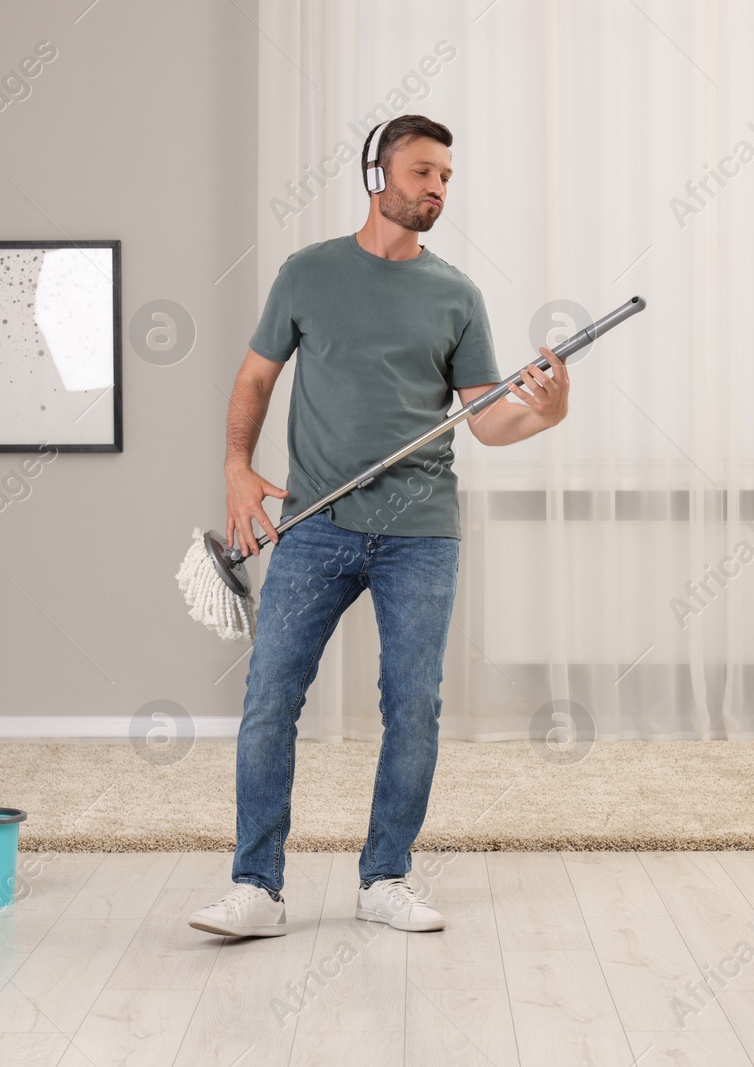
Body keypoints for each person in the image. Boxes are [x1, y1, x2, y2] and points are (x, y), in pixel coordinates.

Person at [188, 114, 571, 938]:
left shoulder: (455, 294)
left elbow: (485, 422)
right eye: (424, 172)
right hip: (315, 528)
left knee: (414, 705)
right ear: (377, 174)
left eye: (446, 178)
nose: (437, 188)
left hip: (421, 534)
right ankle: (257, 886)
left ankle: (385, 877)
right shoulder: (308, 274)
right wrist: (235, 465)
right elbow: (255, 378)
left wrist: (547, 413)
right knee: (268, 701)